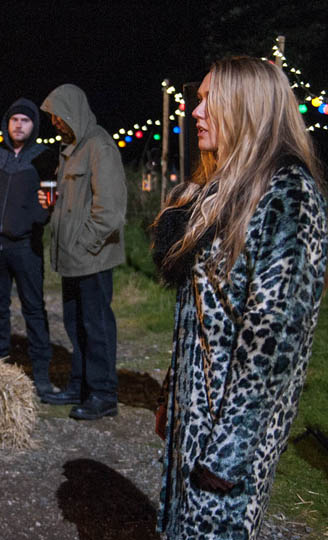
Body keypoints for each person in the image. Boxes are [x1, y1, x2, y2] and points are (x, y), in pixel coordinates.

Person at [152, 56, 327, 539]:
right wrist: (173, 396)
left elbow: (275, 346)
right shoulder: (220, 191)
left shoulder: (289, 197)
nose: (195, 112)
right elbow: (200, 311)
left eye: (209, 100)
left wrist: (228, 453)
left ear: (246, 107)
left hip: (230, 441)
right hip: (196, 420)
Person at [37, 84, 127, 420]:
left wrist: (84, 244)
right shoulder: (71, 149)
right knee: (76, 325)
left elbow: (110, 210)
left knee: (97, 326)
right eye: (53, 117)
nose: (56, 122)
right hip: (74, 259)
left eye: (59, 115)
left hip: (92, 258)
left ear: (74, 111)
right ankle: (81, 386)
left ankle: (103, 394)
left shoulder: (99, 146)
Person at [0, 98, 56, 398]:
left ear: (34, 126)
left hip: (25, 244)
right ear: (7, 124)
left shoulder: (44, 157)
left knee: (33, 309)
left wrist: (36, 220)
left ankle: (42, 375)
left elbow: (50, 196)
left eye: (26, 120)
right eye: (14, 120)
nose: (19, 125)